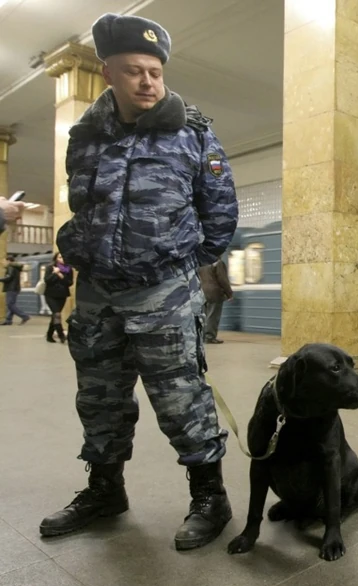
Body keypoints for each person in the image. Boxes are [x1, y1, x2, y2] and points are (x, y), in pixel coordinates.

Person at [39, 13, 239, 551]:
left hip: (164, 291)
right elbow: (83, 203)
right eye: (134, 71)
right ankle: (105, 490)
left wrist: (176, 266)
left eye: (155, 70)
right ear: (108, 72)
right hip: (99, 292)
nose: (149, 81)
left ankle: (210, 498)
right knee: (99, 397)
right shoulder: (84, 136)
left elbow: (220, 217)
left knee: (180, 398)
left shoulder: (192, 132)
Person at [198, 259, 233, 344]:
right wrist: (229, 293)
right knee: (213, 316)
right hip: (214, 292)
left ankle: (202, 336)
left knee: (205, 315)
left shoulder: (201, 262)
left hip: (202, 292)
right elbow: (223, 279)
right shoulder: (217, 263)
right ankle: (209, 337)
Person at [43, 253, 73, 343]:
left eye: (63, 257)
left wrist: (60, 274)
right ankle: (61, 335)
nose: (62, 259)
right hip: (50, 295)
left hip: (62, 295)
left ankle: (49, 335)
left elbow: (69, 282)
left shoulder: (68, 269)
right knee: (57, 314)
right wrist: (54, 273)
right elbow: (47, 280)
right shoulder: (50, 267)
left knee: (55, 315)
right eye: (60, 257)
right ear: (56, 258)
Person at [1, 254, 30, 325]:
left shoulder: (10, 267)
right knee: (11, 304)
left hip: (11, 288)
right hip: (15, 288)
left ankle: (24, 316)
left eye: (4, 261)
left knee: (10, 304)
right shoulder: (15, 267)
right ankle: (8, 320)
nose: (3, 263)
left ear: (8, 261)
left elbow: (9, 277)